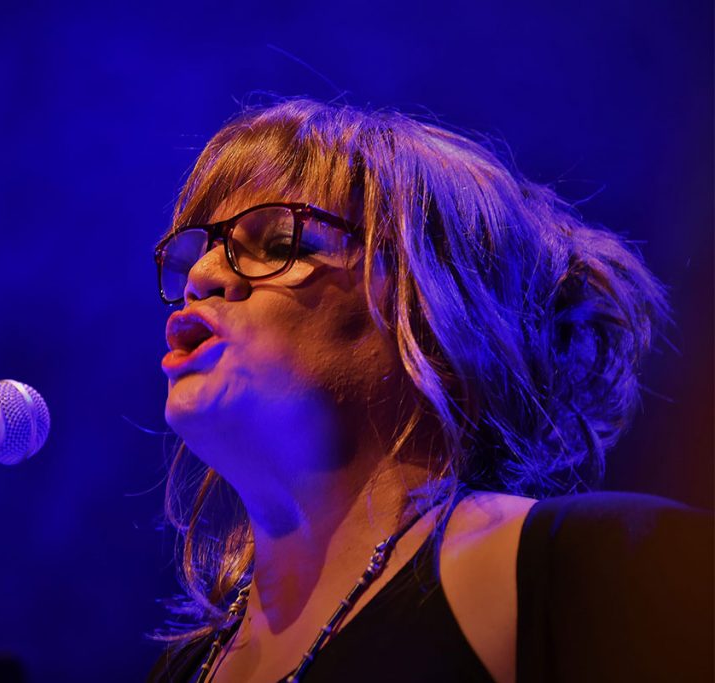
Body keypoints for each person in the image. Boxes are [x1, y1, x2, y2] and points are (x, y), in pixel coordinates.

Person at [145, 99, 713, 683]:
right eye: (201, 250)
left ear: (431, 311)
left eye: (282, 242)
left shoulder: (590, 567)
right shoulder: (180, 670)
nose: (201, 276)